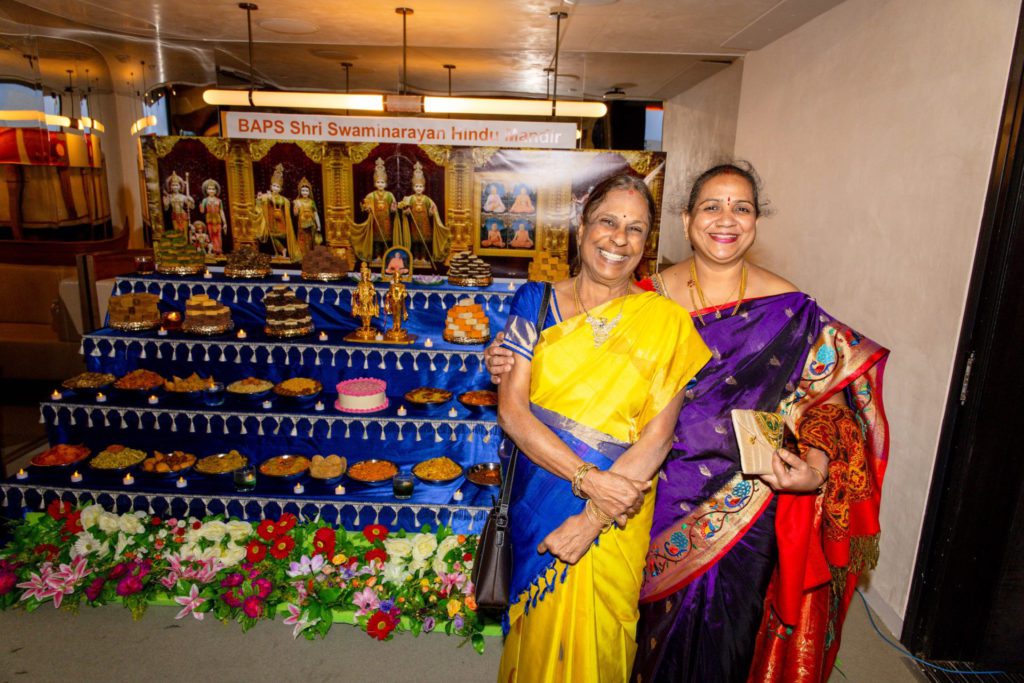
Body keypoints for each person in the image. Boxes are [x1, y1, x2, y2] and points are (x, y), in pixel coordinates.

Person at [486, 162, 889, 683]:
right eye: (711, 206)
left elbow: (832, 398)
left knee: (726, 644)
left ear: (756, 221)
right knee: (639, 645)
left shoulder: (788, 307)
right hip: (650, 497)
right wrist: (509, 355)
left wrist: (814, 466)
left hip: (743, 506)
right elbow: (565, 361)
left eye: (741, 208)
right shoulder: (646, 294)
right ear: (684, 219)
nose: (726, 219)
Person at [496, 173, 711, 681]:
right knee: (538, 628)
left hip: (619, 504)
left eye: (635, 229)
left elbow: (658, 438)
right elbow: (512, 412)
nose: (619, 238)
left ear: (646, 243)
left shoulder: (668, 323)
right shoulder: (534, 303)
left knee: (604, 635)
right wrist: (589, 481)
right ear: (581, 226)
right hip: (545, 487)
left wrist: (592, 516)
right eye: (608, 222)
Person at [398, 161, 450, 266]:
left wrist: (431, 212)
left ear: (424, 188)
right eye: (416, 186)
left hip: (425, 225)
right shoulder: (410, 199)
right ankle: (416, 258)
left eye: (421, 186)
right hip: (414, 225)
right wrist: (406, 212)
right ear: (413, 187)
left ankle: (424, 258)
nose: (418, 188)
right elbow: (404, 210)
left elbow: (431, 213)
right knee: (416, 243)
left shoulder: (427, 199)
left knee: (424, 242)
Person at [254, 163, 299, 261]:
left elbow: (280, 203)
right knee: (272, 237)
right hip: (269, 220)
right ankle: (280, 252)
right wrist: (258, 199)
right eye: (274, 186)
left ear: (281, 189)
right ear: (270, 186)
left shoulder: (283, 199)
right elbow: (259, 206)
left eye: (277, 187)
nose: (275, 188)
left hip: (279, 221)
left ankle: (283, 250)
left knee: (276, 237)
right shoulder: (265, 196)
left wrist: (271, 199)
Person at [292, 177, 322, 257]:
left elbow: (315, 214)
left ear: (309, 192)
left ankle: (311, 256)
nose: (305, 192)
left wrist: (319, 225)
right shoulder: (297, 201)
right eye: (303, 190)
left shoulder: (312, 202)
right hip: (302, 225)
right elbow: (295, 214)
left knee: (311, 240)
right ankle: (303, 256)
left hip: (312, 224)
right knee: (302, 240)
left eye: (306, 191)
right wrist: (296, 207)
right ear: (300, 191)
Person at [199, 178, 228, 255]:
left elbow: (221, 211)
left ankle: (219, 250)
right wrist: (201, 206)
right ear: (206, 190)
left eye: (213, 189)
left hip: (218, 219)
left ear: (216, 190)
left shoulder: (219, 201)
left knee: (218, 235)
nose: (211, 191)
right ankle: (214, 251)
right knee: (211, 235)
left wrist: (225, 223)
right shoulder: (205, 200)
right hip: (209, 219)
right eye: (209, 189)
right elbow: (202, 211)